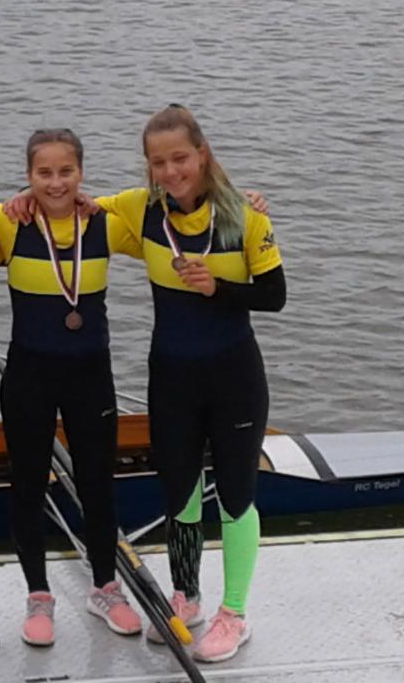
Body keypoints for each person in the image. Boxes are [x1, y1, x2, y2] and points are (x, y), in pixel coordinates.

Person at [95, 104, 286, 663]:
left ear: (201, 154)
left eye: (180, 158)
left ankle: (234, 615)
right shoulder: (140, 211)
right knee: (178, 493)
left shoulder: (244, 217)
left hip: (233, 376)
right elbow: (64, 204)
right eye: (158, 163)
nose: (171, 171)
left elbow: (275, 295)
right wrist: (10, 204)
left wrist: (216, 290)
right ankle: (188, 598)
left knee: (235, 496)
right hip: (172, 377)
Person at [0, 129, 145, 647]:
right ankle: (38, 595)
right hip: (29, 377)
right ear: (28, 176)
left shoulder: (106, 222)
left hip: (91, 376)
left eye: (66, 172)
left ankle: (105, 587)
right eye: (44, 174)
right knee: (28, 485)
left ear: (81, 173)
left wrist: (244, 201)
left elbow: (169, 212)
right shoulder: (10, 220)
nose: (56, 183)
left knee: (97, 483)